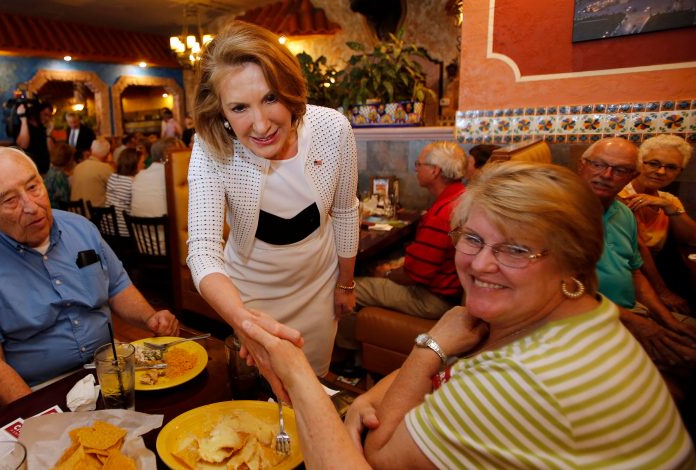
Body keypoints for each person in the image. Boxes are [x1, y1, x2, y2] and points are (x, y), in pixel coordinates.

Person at [242, 161, 696, 469]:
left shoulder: (526, 379)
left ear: (574, 263)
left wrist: (293, 368)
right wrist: (366, 399)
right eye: (472, 239)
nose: (479, 265)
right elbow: (451, 375)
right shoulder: (576, 315)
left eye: (516, 249)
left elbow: (378, 457)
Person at [0, 147, 179, 415]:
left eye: (33, 187)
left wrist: (150, 318)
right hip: (28, 392)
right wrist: (48, 418)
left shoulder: (80, 228)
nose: (31, 206)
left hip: (104, 375)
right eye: (10, 200)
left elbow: (116, 287)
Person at [187, 21, 358, 389]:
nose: (261, 124)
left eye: (270, 98)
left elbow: (344, 210)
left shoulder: (332, 129)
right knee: (262, 391)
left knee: (315, 386)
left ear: (290, 89)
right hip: (250, 296)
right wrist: (242, 321)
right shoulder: (210, 145)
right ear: (220, 111)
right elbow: (202, 250)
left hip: (317, 283)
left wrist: (345, 284)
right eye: (239, 108)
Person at [576, 137, 696, 370]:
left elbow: (635, 272)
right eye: (598, 164)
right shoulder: (557, 210)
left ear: (632, 176)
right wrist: (639, 323)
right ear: (582, 164)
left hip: (633, 310)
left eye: (620, 170)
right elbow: (563, 287)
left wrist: (667, 320)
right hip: (588, 319)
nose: (607, 175)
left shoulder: (624, 213)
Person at [353, 141, 465, 319]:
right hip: (446, 289)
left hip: (434, 298)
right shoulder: (460, 196)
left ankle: (346, 344)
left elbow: (413, 276)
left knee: (346, 287)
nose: (416, 170)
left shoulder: (442, 215)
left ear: (435, 170)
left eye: (418, 165)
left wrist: (386, 273)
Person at [620, 134, 696, 313]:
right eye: (654, 163)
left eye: (671, 167)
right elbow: (637, 249)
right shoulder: (621, 195)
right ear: (639, 163)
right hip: (629, 275)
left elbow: (691, 239)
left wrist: (668, 207)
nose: (661, 172)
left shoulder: (668, 199)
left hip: (658, 272)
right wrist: (662, 292)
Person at [130, 137, 183, 218]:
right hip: (164, 228)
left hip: (138, 229)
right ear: (167, 155)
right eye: (178, 152)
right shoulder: (171, 175)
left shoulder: (139, 175)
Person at [70, 138, 113, 208]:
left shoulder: (77, 167)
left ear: (91, 151)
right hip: (95, 215)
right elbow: (116, 189)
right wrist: (111, 162)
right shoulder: (105, 168)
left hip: (76, 213)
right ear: (108, 154)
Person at [106, 147, 139, 237]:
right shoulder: (132, 182)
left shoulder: (112, 177)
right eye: (141, 162)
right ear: (134, 164)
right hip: (125, 232)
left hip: (107, 229)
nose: (143, 164)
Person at [15, 100, 53, 175]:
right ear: (38, 112)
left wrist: (49, 134)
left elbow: (51, 152)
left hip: (44, 171)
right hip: (29, 171)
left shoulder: (43, 128)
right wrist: (24, 119)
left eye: (49, 116)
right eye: (45, 115)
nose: (47, 118)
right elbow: (23, 145)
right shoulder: (23, 126)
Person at [42, 142, 74, 210]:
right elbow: (64, 203)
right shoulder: (60, 176)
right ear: (68, 159)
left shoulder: (51, 171)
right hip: (58, 214)